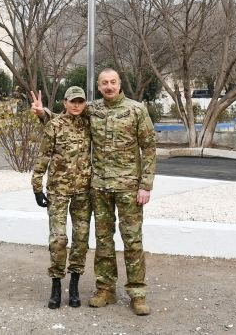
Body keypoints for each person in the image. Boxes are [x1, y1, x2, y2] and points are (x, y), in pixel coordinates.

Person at [32, 69, 157, 317]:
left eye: (113, 82)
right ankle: (105, 289)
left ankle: (137, 293)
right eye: (104, 83)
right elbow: (66, 119)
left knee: (132, 240)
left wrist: (146, 184)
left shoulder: (136, 110)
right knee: (103, 241)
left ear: (120, 84)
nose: (109, 86)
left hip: (128, 186)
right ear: (98, 87)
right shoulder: (93, 109)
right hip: (99, 187)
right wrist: (42, 113)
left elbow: (149, 147)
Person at [30, 86, 92, 309]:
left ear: (85, 104)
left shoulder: (90, 124)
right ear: (65, 102)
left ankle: (74, 285)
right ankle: (56, 284)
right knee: (58, 239)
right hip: (58, 190)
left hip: (83, 191)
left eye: (80, 101)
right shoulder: (55, 125)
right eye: (72, 101)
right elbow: (43, 156)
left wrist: (43, 112)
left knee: (81, 238)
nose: (76, 105)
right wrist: (37, 187)